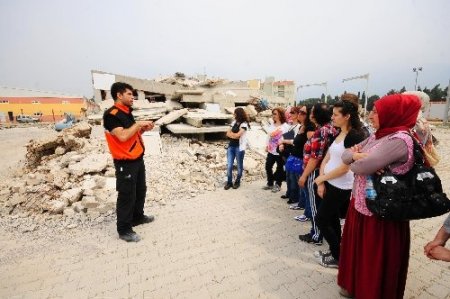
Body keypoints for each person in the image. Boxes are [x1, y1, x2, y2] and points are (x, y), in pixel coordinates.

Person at [337, 94, 422, 298]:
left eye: (376, 111)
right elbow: (345, 155)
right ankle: (354, 286)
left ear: (392, 113)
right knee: (358, 253)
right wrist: (357, 157)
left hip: (381, 211)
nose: (372, 115)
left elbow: (361, 166)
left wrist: (358, 159)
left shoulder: (399, 140)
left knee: (373, 258)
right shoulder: (379, 135)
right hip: (362, 203)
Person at [313, 100, 366, 268]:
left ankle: (338, 256)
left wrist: (322, 179)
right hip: (329, 182)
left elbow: (345, 168)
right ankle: (337, 251)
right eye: (332, 114)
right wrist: (322, 180)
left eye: (336, 114)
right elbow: (327, 158)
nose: (332, 117)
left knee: (321, 219)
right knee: (332, 219)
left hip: (341, 186)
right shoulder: (338, 132)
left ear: (347, 116)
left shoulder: (355, 136)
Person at [103, 82, 155, 242]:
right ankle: (124, 229)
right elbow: (123, 136)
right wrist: (138, 124)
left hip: (137, 159)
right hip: (125, 163)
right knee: (127, 195)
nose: (133, 97)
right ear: (119, 95)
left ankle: (137, 217)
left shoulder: (126, 112)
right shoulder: (111, 115)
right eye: (129, 94)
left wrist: (142, 129)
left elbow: (131, 133)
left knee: (140, 190)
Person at [298, 103, 338, 245]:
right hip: (326, 172)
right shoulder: (332, 129)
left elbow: (315, 157)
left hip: (315, 173)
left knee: (315, 205)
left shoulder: (321, 132)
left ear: (317, 115)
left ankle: (316, 235)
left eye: (312, 112)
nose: (310, 114)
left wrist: (304, 176)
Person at [263, 107, 289, 192]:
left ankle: (278, 184)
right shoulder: (272, 125)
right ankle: (270, 183)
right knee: (268, 166)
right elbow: (268, 136)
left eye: (275, 114)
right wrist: (266, 145)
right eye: (272, 114)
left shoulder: (286, 127)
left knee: (280, 168)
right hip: (271, 150)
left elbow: (288, 139)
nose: (273, 116)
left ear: (280, 115)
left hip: (280, 151)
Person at [278, 106, 301, 202]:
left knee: (292, 176)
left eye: (292, 113)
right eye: (290, 112)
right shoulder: (292, 125)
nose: (290, 114)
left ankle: (294, 197)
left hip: (293, 154)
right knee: (288, 175)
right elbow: (285, 138)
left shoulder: (299, 127)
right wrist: (282, 143)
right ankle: (289, 193)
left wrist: (284, 141)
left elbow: (294, 141)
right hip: (287, 154)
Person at [225, 107, 250, 190]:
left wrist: (233, 135)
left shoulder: (244, 124)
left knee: (239, 166)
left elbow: (237, 135)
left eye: (235, 113)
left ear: (238, 114)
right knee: (229, 165)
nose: (234, 114)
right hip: (231, 146)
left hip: (239, 147)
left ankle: (237, 181)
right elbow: (227, 133)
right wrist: (233, 135)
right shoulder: (234, 122)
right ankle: (229, 182)